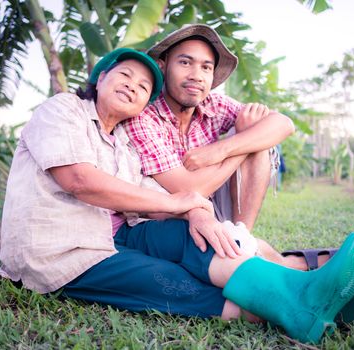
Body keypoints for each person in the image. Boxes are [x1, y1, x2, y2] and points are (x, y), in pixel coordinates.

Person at [0, 48, 354, 344]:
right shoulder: (64, 109)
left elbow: (152, 194)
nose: (134, 85)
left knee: (197, 236)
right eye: (124, 75)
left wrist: (197, 213)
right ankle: (304, 296)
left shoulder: (123, 141)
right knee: (175, 282)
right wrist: (181, 202)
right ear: (99, 79)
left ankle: (317, 300)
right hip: (67, 253)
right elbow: (79, 180)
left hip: (121, 235)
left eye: (144, 86)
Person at [123, 24, 328, 269]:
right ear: (163, 65)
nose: (196, 75)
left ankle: (243, 237)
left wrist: (222, 148)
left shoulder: (213, 104)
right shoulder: (144, 115)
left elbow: (283, 124)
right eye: (185, 63)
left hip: (213, 213)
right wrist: (238, 149)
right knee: (248, 136)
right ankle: (287, 262)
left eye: (206, 67)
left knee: (256, 138)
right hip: (169, 219)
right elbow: (189, 189)